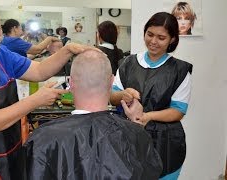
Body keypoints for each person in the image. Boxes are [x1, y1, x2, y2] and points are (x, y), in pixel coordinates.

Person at [0, 0, 98, 179]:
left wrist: (67, 50)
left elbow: (39, 71)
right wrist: (35, 101)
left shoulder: (0, 54)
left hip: (7, 157)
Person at [24, 50, 163, 180]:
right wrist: (136, 127)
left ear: (71, 84)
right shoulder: (136, 134)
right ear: (111, 81)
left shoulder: (43, 139)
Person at [110, 12, 193, 179]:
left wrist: (147, 116)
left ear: (172, 40)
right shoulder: (128, 63)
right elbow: (111, 97)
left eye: (161, 37)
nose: (153, 41)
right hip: (129, 138)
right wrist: (122, 95)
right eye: (150, 34)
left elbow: (178, 110)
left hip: (166, 143)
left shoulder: (179, 70)